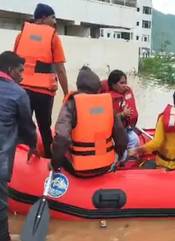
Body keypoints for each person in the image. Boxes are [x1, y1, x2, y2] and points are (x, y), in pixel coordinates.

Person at [14, 3, 69, 158]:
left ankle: (19, 162)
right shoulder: (53, 37)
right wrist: (66, 93)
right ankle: (48, 162)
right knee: (45, 127)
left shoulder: (21, 35)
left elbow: (13, 62)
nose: (54, 21)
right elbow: (60, 69)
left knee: (22, 126)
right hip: (43, 93)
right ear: (44, 18)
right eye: (53, 17)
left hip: (22, 90)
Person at [51, 67, 127, 177]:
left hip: (79, 169)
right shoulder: (106, 104)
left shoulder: (72, 104)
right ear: (97, 87)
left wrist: (54, 163)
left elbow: (62, 138)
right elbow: (122, 139)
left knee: (53, 146)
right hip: (106, 165)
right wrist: (118, 156)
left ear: (79, 86)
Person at [0, 51, 37, 241]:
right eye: (20, 71)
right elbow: (28, 127)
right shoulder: (18, 93)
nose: (22, 76)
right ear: (10, 70)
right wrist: (33, 145)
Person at [101, 70, 140, 150]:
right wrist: (122, 114)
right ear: (113, 85)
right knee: (128, 144)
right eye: (122, 83)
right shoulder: (107, 98)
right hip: (114, 132)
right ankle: (121, 157)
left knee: (135, 140)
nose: (125, 85)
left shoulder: (126, 92)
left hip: (127, 127)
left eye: (125, 82)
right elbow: (105, 119)